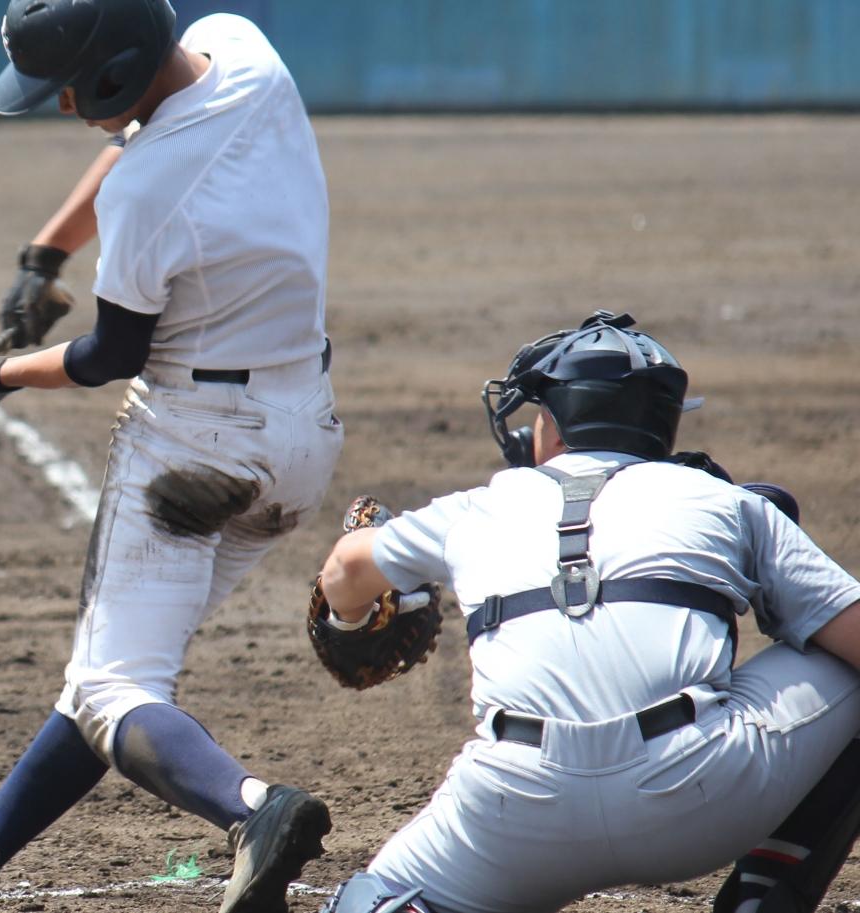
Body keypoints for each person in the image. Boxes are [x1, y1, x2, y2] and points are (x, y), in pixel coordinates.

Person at [0, 2, 340, 911]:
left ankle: (255, 808)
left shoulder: (145, 194)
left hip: (194, 451)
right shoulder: (242, 48)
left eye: (70, 85)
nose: (65, 104)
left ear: (112, 69)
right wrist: (46, 254)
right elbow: (142, 136)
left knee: (115, 684)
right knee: (113, 674)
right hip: (300, 435)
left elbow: (110, 355)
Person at [308, 311, 860, 913]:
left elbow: (343, 572)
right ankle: (765, 895)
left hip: (512, 816)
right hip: (697, 801)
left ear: (555, 423)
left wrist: (350, 619)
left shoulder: (480, 506)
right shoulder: (725, 503)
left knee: (373, 900)